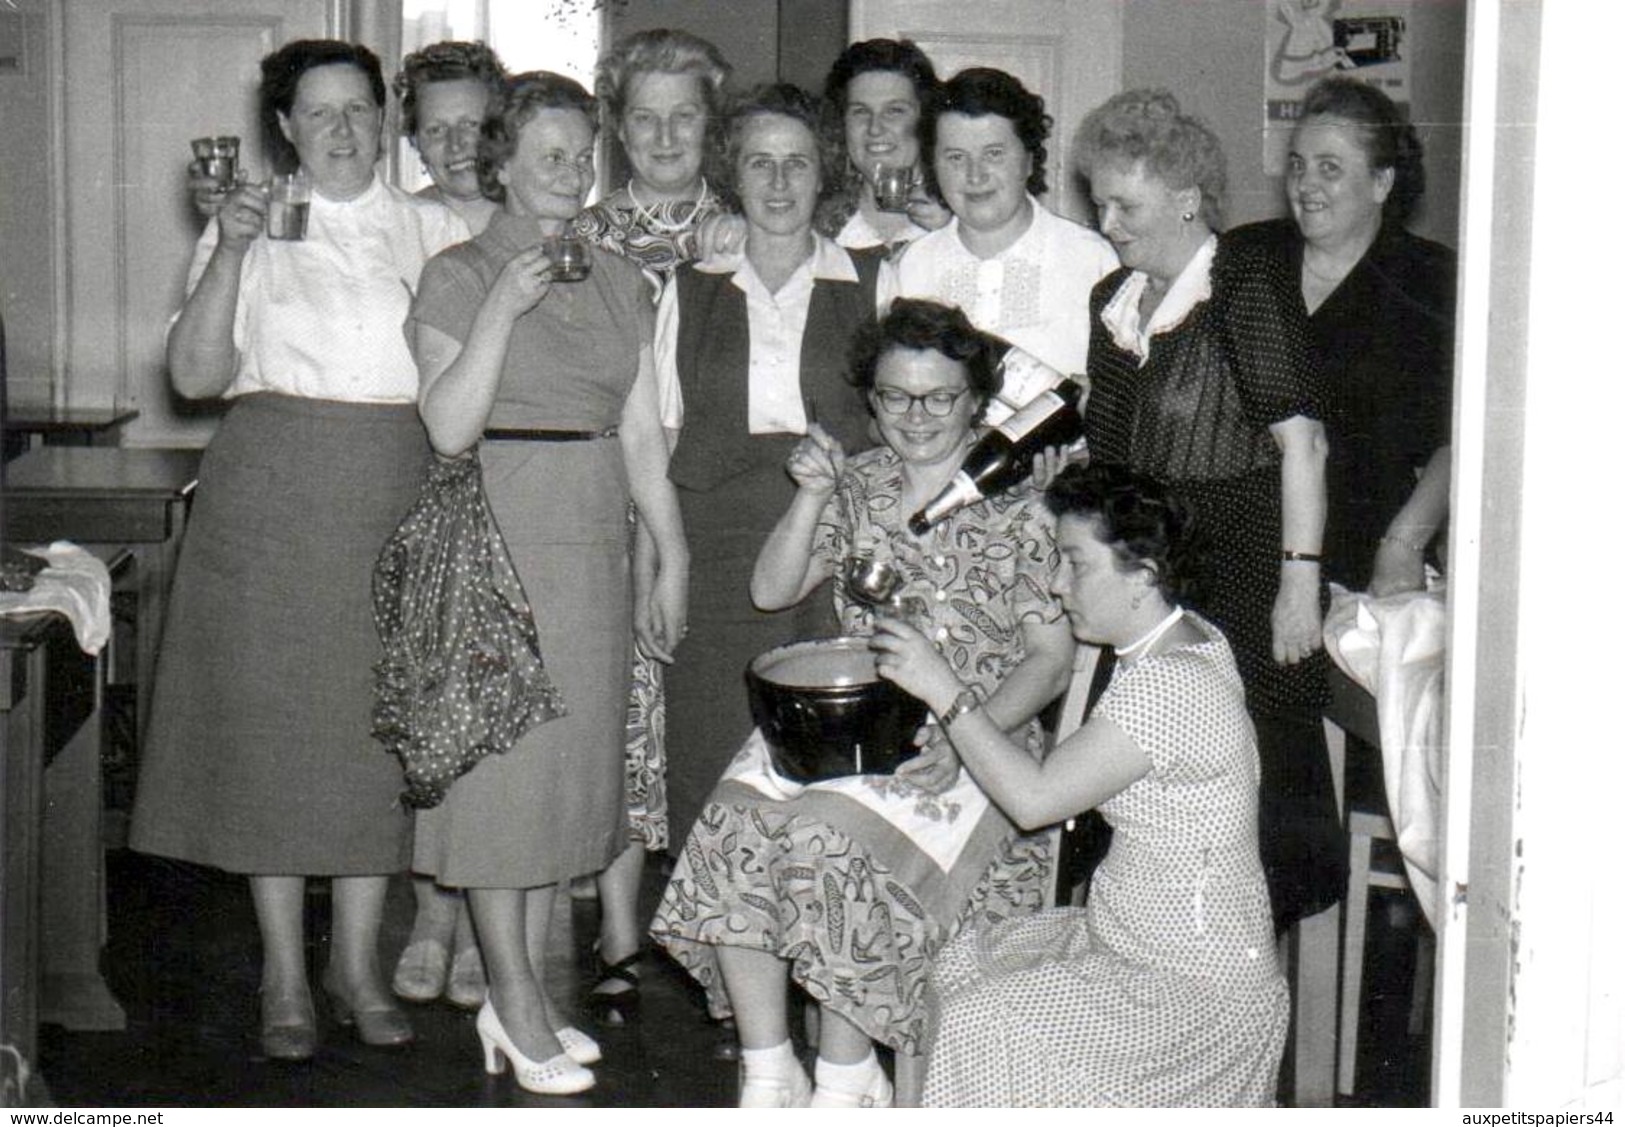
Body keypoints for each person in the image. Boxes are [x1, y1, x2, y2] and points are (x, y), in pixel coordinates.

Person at [130, 39, 470, 1061]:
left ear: (386, 115)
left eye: (359, 106)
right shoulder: (251, 219)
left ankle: (355, 964)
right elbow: (193, 377)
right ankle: (284, 967)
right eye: (317, 111)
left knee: (376, 733)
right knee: (272, 734)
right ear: (284, 125)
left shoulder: (434, 225)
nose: (341, 128)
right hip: (269, 490)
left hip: (395, 484)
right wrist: (227, 247)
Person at [653, 298, 1075, 1108]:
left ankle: (848, 1075)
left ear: (976, 401)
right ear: (869, 398)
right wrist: (812, 494)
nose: (915, 416)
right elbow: (769, 587)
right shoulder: (862, 480)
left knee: (826, 838)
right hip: (856, 722)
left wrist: (964, 733)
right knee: (733, 814)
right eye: (893, 397)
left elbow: (1050, 662)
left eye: (939, 397)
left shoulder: (1022, 507)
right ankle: (770, 1065)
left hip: (974, 736)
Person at [408, 71, 689, 1095]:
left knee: (569, 780)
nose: (572, 171)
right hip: (496, 529)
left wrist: (672, 550)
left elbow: (640, 434)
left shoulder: (625, 280)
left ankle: (514, 996)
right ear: (502, 164)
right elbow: (446, 425)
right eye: (549, 155)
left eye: (583, 153)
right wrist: (501, 304)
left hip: (591, 536)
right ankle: (516, 1004)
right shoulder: (455, 272)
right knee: (502, 782)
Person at [872, 463, 1290, 1106]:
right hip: (1125, 942)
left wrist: (943, 688)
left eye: (1075, 563)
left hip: (1191, 989)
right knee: (952, 969)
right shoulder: (1182, 641)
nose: (1057, 584)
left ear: (1143, 575)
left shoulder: (1172, 684)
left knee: (983, 1023)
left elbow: (1036, 800)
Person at [1074, 88, 1341, 933]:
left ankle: (1238, 991)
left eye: (1126, 204)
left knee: (1253, 819)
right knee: (1141, 796)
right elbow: (1112, 460)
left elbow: (1303, 442)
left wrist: (1299, 582)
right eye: (1100, 200)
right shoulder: (1111, 300)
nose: (1107, 221)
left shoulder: (1243, 287)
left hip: (1244, 568)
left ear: (1186, 201)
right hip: (1153, 579)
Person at [657, 84, 885, 862]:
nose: (780, 183)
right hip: (716, 551)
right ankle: (719, 971)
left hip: (832, 550)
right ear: (732, 175)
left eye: (797, 163)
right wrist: (662, 566)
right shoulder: (689, 288)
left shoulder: (875, 280)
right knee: (710, 749)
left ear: (825, 175)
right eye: (760, 163)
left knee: (827, 763)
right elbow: (656, 438)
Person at [566, 27, 733, 1022]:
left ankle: (718, 929)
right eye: (644, 115)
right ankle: (619, 926)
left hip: (717, 501)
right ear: (613, 127)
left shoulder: (749, 217)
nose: (664, 133)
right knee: (625, 712)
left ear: (710, 123)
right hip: (608, 507)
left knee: (708, 711)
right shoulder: (579, 238)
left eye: (685, 113)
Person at [386, 37, 509, 1015]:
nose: (457, 143)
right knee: (430, 703)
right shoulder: (394, 224)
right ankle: (431, 912)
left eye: (474, 123)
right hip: (408, 475)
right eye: (436, 128)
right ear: (413, 140)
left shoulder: (542, 217)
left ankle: (475, 919)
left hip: (517, 483)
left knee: (496, 705)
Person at [1233, 77, 1455, 596]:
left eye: (1329, 168)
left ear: (1382, 183)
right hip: (1244, 555)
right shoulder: (1250, 258)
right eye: (1297, 164)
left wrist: (1404, 543)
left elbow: (1460, 437)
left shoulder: (1431, 280)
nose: (1305, 184)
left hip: (1368, 561)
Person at [889, 67, 1118, 421]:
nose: (975, 175)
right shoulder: (913, 265)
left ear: (1028, 159)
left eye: (993, 153)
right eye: (955, 157)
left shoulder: (1092, 259)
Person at [815, 38, 951, 251]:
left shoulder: (961, 217)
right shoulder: (817, 228)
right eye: (860, 111)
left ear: (925, 120)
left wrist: (955, 234)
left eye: (894, 111)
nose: (875, 128)